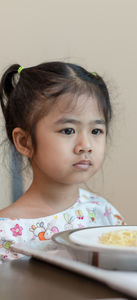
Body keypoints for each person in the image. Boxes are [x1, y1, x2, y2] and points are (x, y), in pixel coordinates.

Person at [0, 61, 125, 262]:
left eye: (96, 131)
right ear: (25, 142)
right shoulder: (6, 233)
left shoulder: (103, 212)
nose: (85, 145)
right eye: (68, 130)